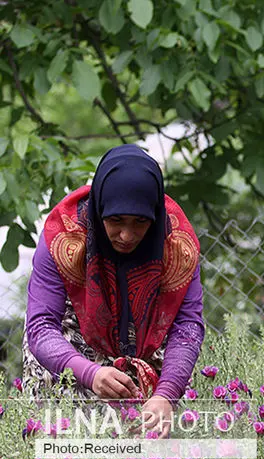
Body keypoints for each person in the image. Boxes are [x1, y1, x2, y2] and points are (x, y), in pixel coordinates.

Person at [22, 144, 204, 438]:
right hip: (73, 342)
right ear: (100, 210)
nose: (126, 235)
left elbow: (187, 326)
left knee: (156, 444)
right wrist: (89, 373)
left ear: (155, 216)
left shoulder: (177, 245)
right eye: (115, 220)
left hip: (146, 340)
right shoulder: (64, 236)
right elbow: (42, 327)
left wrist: (166, 393)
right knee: (67, 443)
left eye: (141, 222)